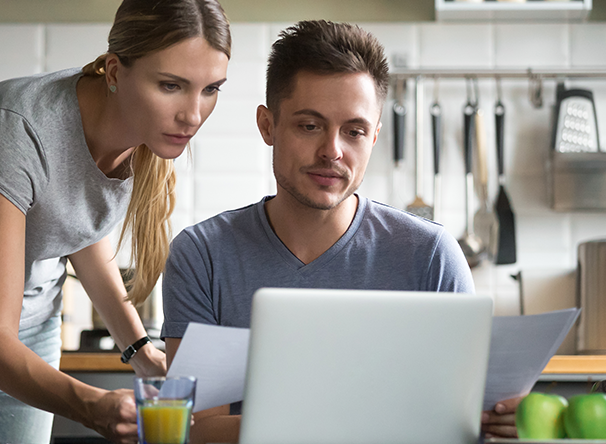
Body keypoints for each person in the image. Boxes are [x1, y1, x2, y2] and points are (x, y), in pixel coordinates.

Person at [0, 1, 230, 443]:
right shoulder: (23, 124)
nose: (193, 115)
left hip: (31, 339)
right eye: (171, 85)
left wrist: (142, 352)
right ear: (114, 72)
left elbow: (77, 232)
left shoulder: (145, 133)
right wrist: (92, 406)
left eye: (211, 89)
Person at [160, 20, 521, 444]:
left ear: (375, 137)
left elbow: (458, 422)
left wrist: (500, 420)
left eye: (354, 131)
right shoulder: (203, 255)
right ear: (268, 125)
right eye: (310, 125)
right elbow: (197, 428)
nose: (333, 150)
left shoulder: (431, 255)